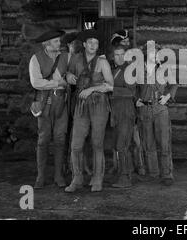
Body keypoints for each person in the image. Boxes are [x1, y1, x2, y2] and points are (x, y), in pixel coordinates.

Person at [65, 29, 114, 193]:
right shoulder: (76, 59)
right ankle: (77, 178)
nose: (93, 45)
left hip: (99, 104)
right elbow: (68, 73)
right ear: (84, 44)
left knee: (97, 143)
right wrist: (68, 77)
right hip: (81, 105)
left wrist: (92, 89)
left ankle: (97, 178)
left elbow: (110, 85)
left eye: (96, 43)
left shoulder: (102, 62)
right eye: (90, 42)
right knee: (76, 145)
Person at [29, 29, 68, 189]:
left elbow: (71, 75)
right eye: (56, 41)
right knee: (43, 140)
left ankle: (58, 176)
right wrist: (57, 83)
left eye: (59, 41)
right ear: (47, 43)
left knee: (60, 139)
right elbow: (36, 83)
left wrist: (68, 79)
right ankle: (41, 176)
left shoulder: (65, 57)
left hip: (61, 104)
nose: (59, 43)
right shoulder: (36, 59)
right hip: (44, 104)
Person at [136, 41, 178, 186]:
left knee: (164, 142)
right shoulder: (138, 70)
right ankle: (153, 173)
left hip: (160, 109)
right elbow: (133, 88)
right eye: (152, 52)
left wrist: (167, 96)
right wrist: (137, 99)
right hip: (145, 109)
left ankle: (167, 174)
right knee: (148, 143)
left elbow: (173, 85)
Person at [110, 45, 137, 188]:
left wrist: (111, 89)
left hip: (126, 112)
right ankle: (124, 172)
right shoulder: (113, 70)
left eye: (122, 54)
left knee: (122, 144)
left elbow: (131, 92)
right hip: (115, 113)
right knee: (118, 144)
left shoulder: (129, 71)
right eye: (116, 55)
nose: (119, 57)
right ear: (113, 56)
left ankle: (125, 178)